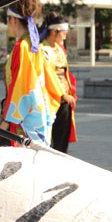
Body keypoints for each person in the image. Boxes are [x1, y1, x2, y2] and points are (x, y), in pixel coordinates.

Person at [0, 0, 60, 146]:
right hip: (37, 110)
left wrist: (7, 121)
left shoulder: (23, 46)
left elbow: (21, 86)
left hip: (24, 116)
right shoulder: (34, 43)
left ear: (12, 20)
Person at [40, 13, 77, 153]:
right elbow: (48, 74)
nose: (65, 37)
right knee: (51, 137)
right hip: (50, 99)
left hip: (65, 98)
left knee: (62, 137)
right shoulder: (42, 49)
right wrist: (62, 94)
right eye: (64, 33)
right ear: (54, 31)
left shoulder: (59, 49)